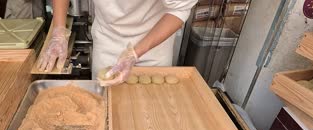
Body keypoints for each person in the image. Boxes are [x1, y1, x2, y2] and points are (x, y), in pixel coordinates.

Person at [37, 0, 198, 86]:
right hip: (108, 38)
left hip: (153, 44)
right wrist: (59, 32)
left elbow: (179, 9)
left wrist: (134, 53)